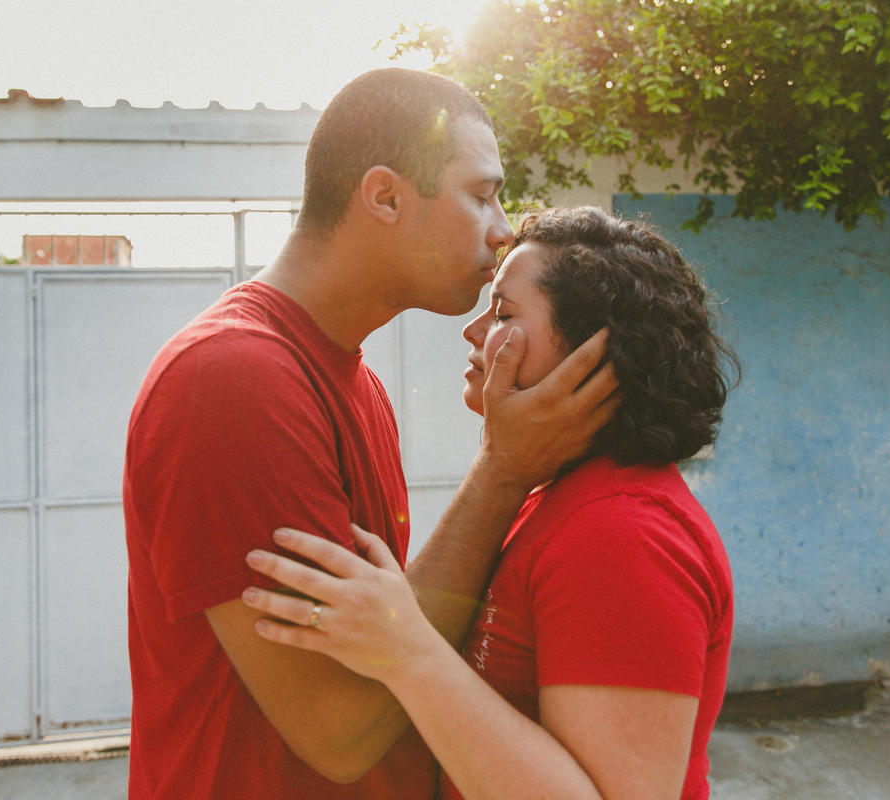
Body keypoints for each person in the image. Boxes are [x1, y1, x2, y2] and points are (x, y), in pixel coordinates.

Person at [122, 72, 619, 799]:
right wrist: (504, 472)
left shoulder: (354, 382)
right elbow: (341, 727)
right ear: (384, 196)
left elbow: (387, 631)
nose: (503, 225)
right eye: (481, 194)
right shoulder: (233, 380)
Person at [241, 206, 740, 800]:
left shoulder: (622, 532)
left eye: (503, 312)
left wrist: (408, 652)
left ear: (593, 354)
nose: (472, 332)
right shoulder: (561, 497)